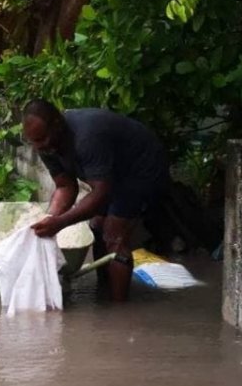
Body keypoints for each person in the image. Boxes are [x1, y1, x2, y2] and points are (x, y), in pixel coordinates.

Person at [21, 99, 169, 302]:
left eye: (43, 139)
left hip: (140, 168)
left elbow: (102, 195)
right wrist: (48, 220)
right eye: (34, 141)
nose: (39, 147)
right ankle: (103, 290)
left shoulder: (87, 137)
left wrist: (61, 222)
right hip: (110, 174)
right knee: (96, 224)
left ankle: (119, 311)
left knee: (114, 232)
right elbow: (65, 186)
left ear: (57, 125)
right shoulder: (45, 145)